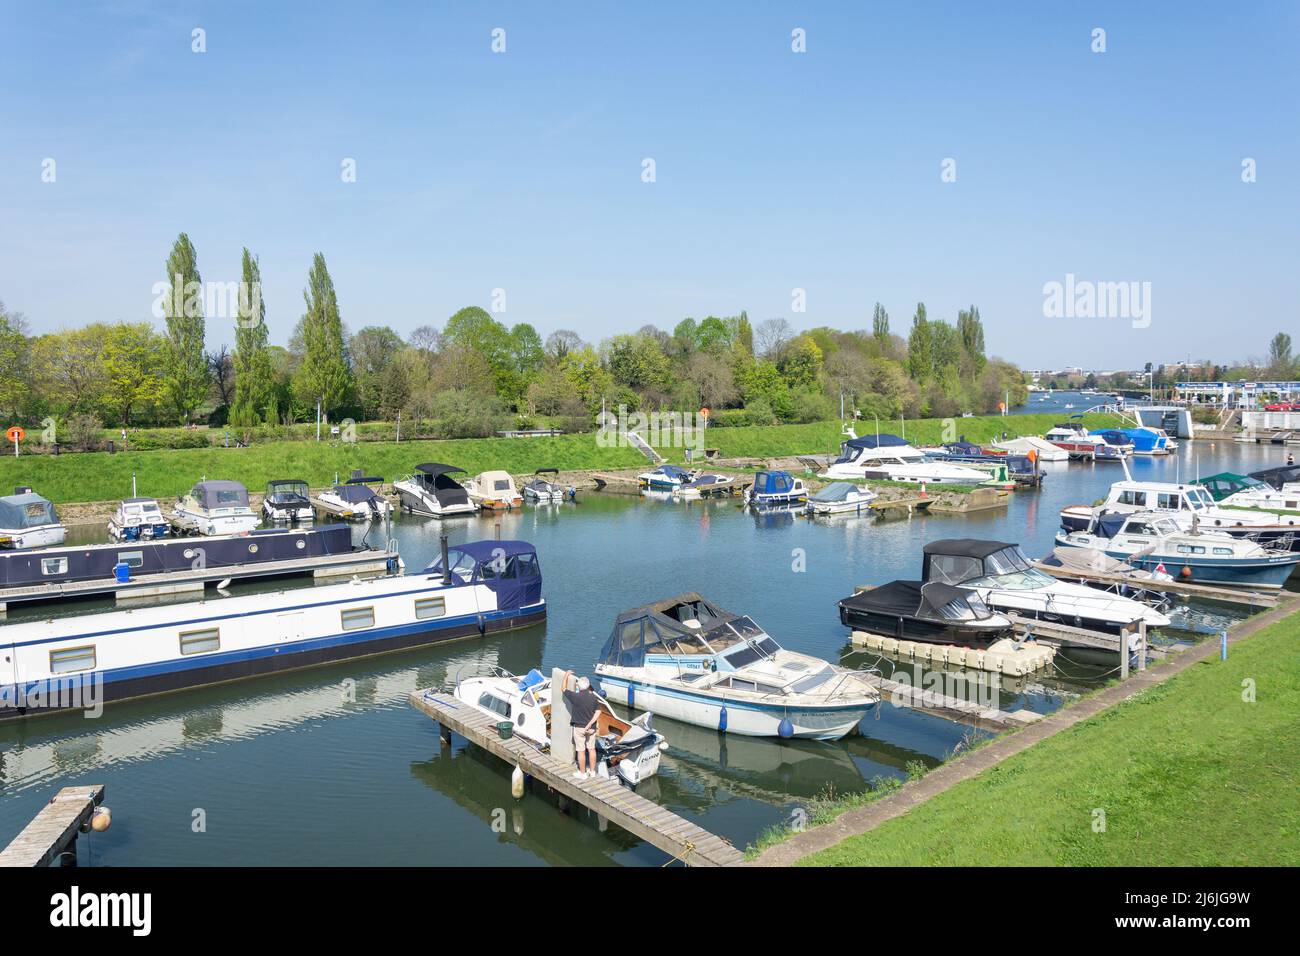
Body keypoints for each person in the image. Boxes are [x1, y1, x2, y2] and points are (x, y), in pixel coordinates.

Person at [563, 676, 601, 780]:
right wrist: (590, 724)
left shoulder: (575, 697)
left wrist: (566, 675)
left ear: (578, 686)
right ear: (588, 686)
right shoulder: (594, 698)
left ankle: (582, 773)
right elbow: (598, 712)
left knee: (581, 751)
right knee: (592, 749)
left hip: (579, 728)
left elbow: (563, 688)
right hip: (591, 729)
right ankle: (592, 772)